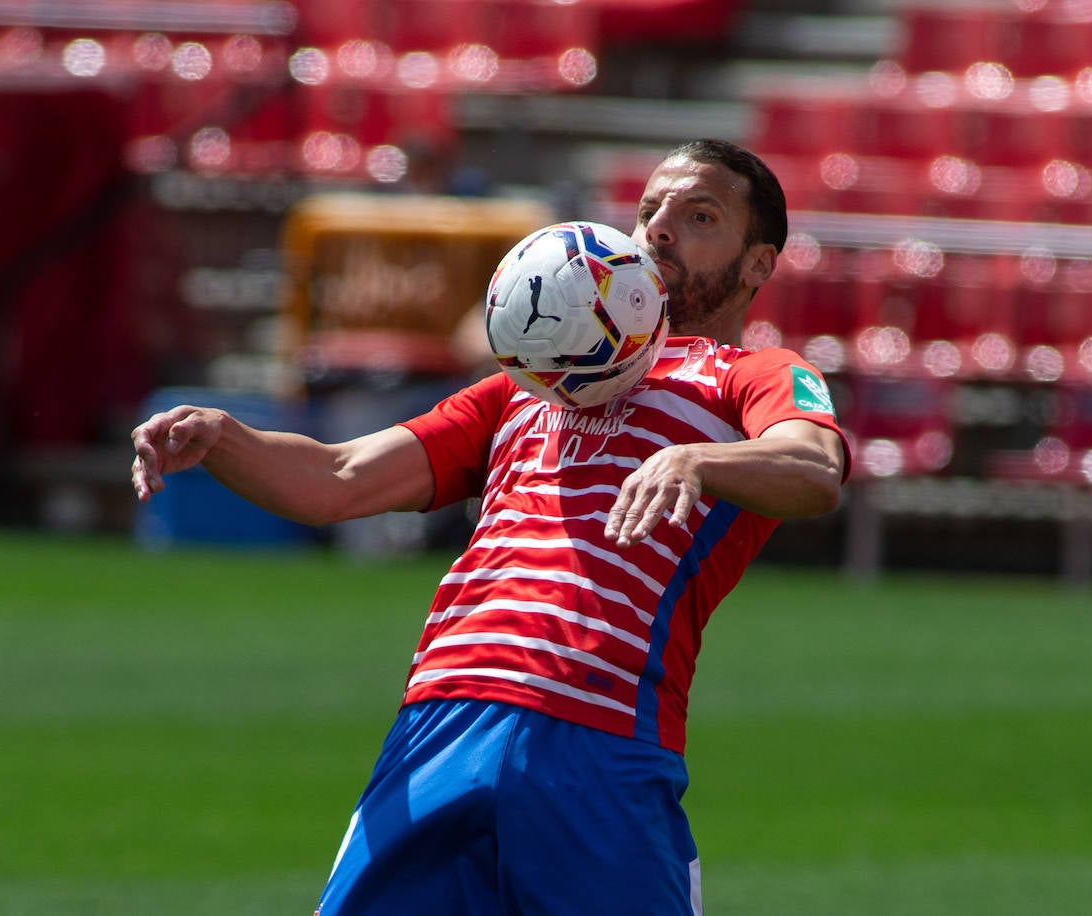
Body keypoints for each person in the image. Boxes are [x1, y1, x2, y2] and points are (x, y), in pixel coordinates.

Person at [131, 138, 850, 916]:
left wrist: (702, 463)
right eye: (650, 212)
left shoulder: (747, 379)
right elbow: (336, 479)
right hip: (439, 723)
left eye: (699, 216)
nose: (660, 231)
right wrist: (225, 438)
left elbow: (814, 469)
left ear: (757, 264)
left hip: (598, 738)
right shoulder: (526, 388)